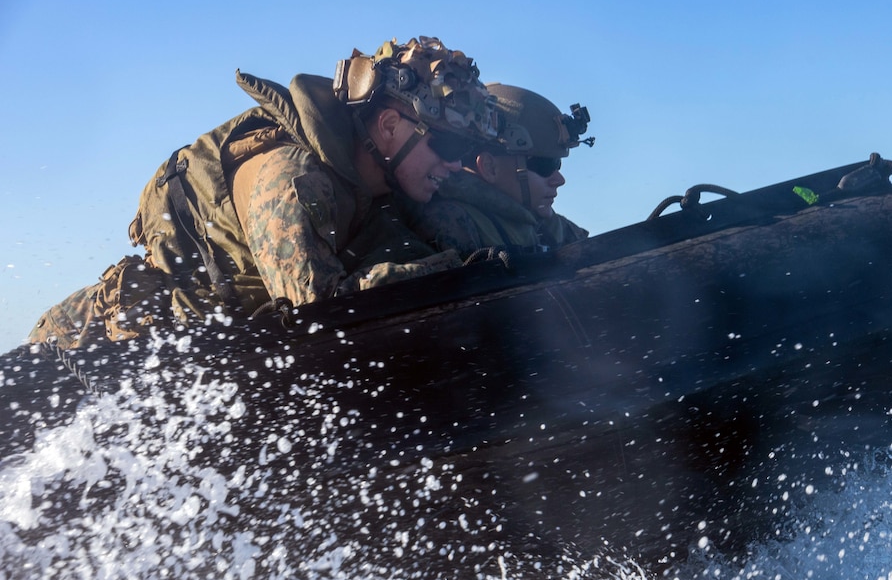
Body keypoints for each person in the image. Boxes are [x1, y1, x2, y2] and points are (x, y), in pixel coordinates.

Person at [28, 36, 498, 349]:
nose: (455, 164)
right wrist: (443, 272)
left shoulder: (375, 182)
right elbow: (317, 315)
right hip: (85, 340)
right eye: (448, 144)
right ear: (391, 125)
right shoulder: (296, 181)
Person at [409, 84, 592, 259]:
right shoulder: (451, 222)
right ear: (490, 168)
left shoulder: (542, 222)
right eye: (544, 165)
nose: (559, 179)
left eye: (557, 164)